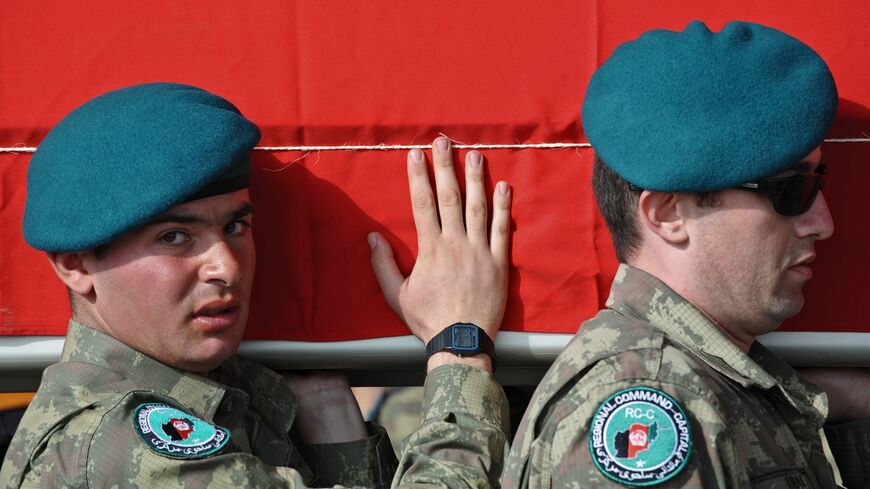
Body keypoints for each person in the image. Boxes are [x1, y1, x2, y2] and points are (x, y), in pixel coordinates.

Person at [0, 83, 513, 488]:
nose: (226, 265)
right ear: (76, 267)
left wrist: (332, 425)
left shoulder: (220, 392)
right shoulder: (123, 441)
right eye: (175, 236)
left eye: (235, 227)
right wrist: (460, 346)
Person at [497, 20, 870, 488]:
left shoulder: (708, 383)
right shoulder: (651, 401)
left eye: (819, 181)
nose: (823, 223)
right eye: (791, 189)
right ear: (669, 214)